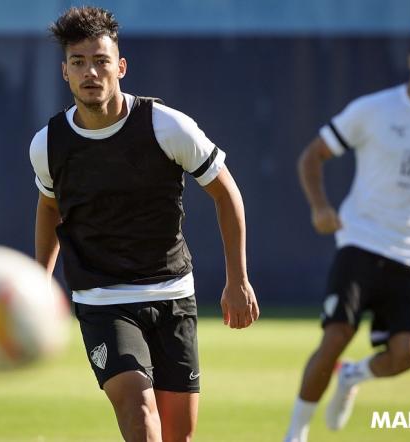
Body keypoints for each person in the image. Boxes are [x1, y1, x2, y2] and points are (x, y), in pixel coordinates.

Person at [30, 6, 259, 442]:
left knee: (179, 436)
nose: (90, 72)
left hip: (173, 293)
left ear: (121, 66)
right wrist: (39, 284)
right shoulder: (49, 143)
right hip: (101, 297)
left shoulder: (166, 126)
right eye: (78, 62)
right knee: (138, 409)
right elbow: (49, 207)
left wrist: (238, 280)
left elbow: (226, 192)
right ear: (64, 72)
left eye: (100, 61)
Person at [284, 22, 410, 442]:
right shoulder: (372, 109)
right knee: (336, 335)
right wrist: (320, 207)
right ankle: (296, 433)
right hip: (362, 241)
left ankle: (353, 376)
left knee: (407, 355)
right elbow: (311, 157)